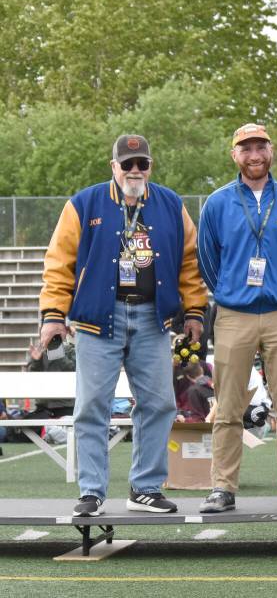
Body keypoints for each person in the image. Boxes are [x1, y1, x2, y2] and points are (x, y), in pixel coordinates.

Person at [39, 133, 207, 516]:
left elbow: (189, 262)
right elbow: (59, 262)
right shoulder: (84, 203)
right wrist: (53, 315)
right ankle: (92, 491)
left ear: (150, 166)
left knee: (159, 404)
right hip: (99, 318)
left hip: (153, 316)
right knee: (91, 406)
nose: (134, 170)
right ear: (113, 166)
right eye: (127, 164)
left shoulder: (171, 204)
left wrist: (195, 311)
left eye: (141, 163)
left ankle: (145, 488)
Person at [197, 123, 277, 513]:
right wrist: (232, 290)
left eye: (260, 147)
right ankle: (222, 487)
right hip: (234, 314)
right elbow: (207, 259)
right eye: (246, 148)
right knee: (228, 406)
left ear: (271, 150)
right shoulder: (217, 203)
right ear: (234, 154)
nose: (254, 155)